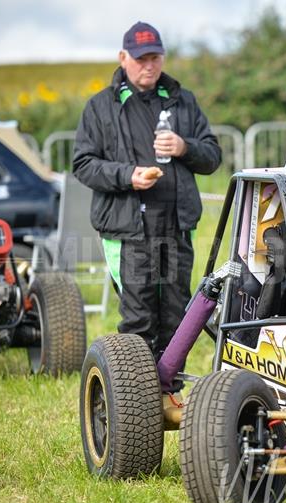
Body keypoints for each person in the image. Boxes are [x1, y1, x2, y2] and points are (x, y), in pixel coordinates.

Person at [73, 21, 222, 388]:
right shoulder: (99, 107)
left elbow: (213, 156)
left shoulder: (182, 100)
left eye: (154, 57)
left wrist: (185, 148)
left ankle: (169, 388)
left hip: (176, 223)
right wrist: (128, 175)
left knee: (176, 313)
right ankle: (137, 396)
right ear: (123, 58)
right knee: (139, 317)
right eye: (140, 59)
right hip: (128, 227)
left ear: (163, 57)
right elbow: (83, 164)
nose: (148, 66)